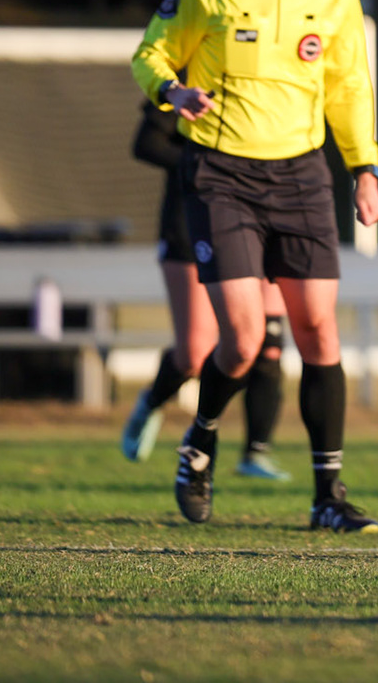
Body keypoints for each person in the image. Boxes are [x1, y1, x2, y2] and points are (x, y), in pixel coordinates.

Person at [131, 0, 378, 532]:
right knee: (242, 341)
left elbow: (348, 88)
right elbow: (148, 53)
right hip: (221, 172)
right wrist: (172, 89)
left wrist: (365, 169)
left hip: (302, 172)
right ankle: (201, 441)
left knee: (318, 330)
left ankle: (327, 497)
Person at [121, 101, 292, 479]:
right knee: (194, 354)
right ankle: (152, 402)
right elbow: (146, 144)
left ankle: (255, 453)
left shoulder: (269, 76)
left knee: (269, 338)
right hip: (190, 224)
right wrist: (211, 166)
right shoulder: (185, 80)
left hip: (260, 221)